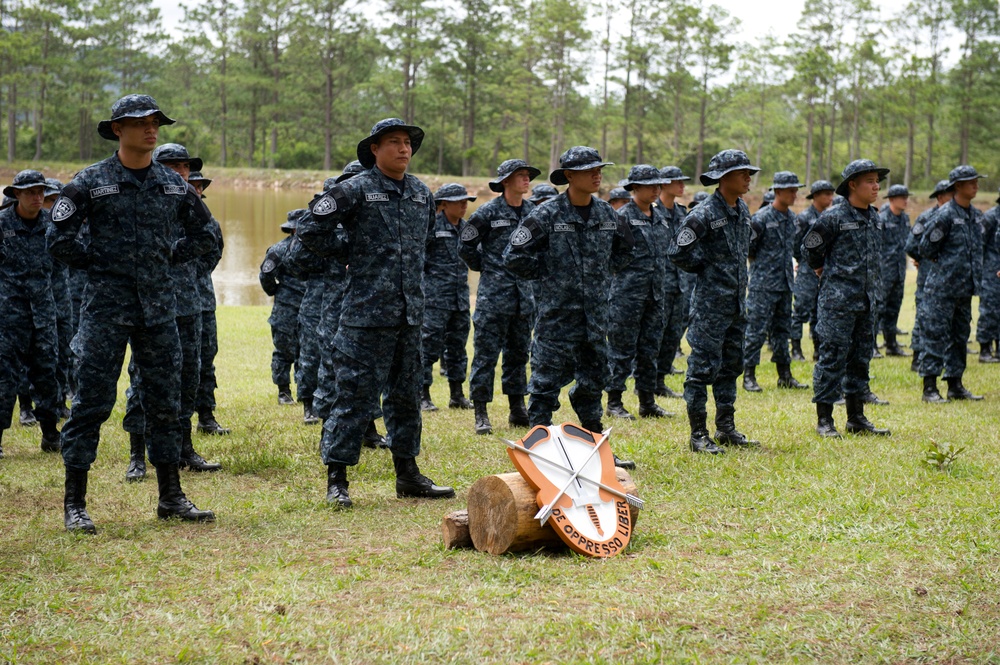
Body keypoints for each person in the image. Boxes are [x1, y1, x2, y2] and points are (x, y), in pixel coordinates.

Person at [47, 94, 217, 532]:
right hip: (106, 309)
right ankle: (75, 504)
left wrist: (166, 258)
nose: (151, 128)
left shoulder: (172, 183)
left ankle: (171, 497)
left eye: (156, 121)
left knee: (165, 403)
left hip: (160, 310)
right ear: (118, 129)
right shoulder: (90, 182)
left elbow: (206, 234)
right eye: (141, 122)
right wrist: (101, 265)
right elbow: (60, 239)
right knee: (91, 404)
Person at [297, 118, 455, 508]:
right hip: (365, 314)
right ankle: (338, 479)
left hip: (408, 315)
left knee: (405, 397)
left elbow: (432, 245)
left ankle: (408, 474)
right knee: (353, 396)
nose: (403, 149)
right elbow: (309, 229)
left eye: (407, 143)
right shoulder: (354, 189)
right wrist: (347, 253)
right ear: (375, 149)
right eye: (394, 143)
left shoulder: (420, 193)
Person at [503, 146, 636, 468]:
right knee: (545, 386)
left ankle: (596, 448)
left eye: (599, 169)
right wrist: (551, 277)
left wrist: (602, 274)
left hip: (596, 317)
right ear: (568, 176)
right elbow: (514, 257)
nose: (597, 174)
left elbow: (627, 249)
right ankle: (539, 451)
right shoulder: (546, 214)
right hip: (557, 316)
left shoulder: (607, 214)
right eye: (589, 170)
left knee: (593, 383)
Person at [668, 150, 760, 454]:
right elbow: (678, 252)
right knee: (701, 369)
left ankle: (725, 427)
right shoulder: (703, 213)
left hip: (736, 305)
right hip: (710, 306)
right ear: (723, 178)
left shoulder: (742, 209)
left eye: (749, 172)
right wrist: (706, 268)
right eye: (741, 173)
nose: (748, 178)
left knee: (731, 366)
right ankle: (698, 433)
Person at [802, 159, 891, 438]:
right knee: (832, 357)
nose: (876, 186)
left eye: (878, 181)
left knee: (860, 359)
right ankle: (825, 420)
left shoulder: (874, 216)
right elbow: (810, 248)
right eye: (870, 181)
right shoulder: (833, 217)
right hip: (837, 302)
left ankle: (856, 417)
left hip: (866, 301)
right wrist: (820, 269)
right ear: (852, 185)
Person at [460, 159, 540, 435]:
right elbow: (466, 244)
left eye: (528, 175)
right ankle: (481, 411)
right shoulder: (487, 212)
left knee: (519, 355)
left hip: (523, 297)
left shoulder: (534, 212)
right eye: (521, 175)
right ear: (506, 181)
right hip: (494, 297)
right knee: (485, 355)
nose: (526, 179)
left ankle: (518, 408)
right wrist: (487, 266)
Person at [0, 170, 63, 460]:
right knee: (4, 377)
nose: (37, 197)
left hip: (43, 313)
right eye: (30, 192)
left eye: (41, 192)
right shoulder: (2, 224)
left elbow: (61, 267)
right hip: (8, 315)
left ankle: (51, 433)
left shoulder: (52, 224)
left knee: (47, 372)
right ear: (16, 194)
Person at [605, 165, 673, 421]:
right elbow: (608, 256)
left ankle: (647, 401)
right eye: (651, 185)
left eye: (659, 185)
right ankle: (614, 401)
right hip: (626, 296)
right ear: (635, 187)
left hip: (655, 295)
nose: (657, 190)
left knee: (650, 348)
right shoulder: (620, 217)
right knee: (621, 350)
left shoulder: (661, 217)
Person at [917, 165, 986, 402]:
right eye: (971, 182)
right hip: (941, 289)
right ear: (957, 186)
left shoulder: (976, 216)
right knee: (935, 335)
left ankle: (955, 384)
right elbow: (925, 247)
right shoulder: (945, 215)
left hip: (965, 289)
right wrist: (945, 266)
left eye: (976, 181)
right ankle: (930, 387)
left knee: (960, 335)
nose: (976, 185)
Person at [743, 171, 809, 393]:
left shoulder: (792, 219)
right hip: (763, 285)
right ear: (778, 191)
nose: (794, 194)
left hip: (785, 284)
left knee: (782, 331)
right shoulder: (760, 219)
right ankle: (749, 375)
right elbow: (749, 249)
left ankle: (785, 375)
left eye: (795, 190)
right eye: (790, 190)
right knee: (756, 330)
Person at [421, 183, 475, 412]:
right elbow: (418, 260)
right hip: (434, 299)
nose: (464, 205)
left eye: (466, 201)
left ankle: (457, 395)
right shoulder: (430, 227)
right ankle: (422, 395)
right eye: (459, 201)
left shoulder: (467, 229)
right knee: (428, 347)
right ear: (443, 204)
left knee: (457, 348)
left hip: (460, 299)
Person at [187, 171, 231, 434]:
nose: (195, 189)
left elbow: (216, 250)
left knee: (205, 357)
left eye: (199, 186)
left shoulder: (207, 219)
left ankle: (206, 416)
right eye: (191, 185)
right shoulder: (162, 212)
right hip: (167, 300)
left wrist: (192, 272)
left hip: (202, 299)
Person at [260, 211, 307, 406]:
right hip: (286, 309)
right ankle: (283, 391)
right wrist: (277, 292)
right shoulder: (279, 250)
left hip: (310, 308)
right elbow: (266, 276)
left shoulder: (315, 249)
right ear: (292, 228)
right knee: (284, 350)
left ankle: (307, 393)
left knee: (307, 352)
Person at [906, 180, 954, 372]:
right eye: (950, 194)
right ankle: (918, 357)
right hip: (928, 275)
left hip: (950, 278)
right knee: (924, 315)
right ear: (941, 196)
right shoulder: (928, 217)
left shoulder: (958, 215)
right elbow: (911, 245)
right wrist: (924, 259)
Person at [654, 165, 691, 397]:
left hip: (679, 284)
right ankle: (646, 382)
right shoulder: (653, 212)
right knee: (654, 335)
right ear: (664, 184)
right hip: (657, 285)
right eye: (677, 181)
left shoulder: (681, 213)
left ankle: (660, 380)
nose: (682, 185)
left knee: (672, 335)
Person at [790, 180, 835, 362]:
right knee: (801, 309)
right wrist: (803, 261)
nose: (830, 198)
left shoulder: (833, 216)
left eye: (832, 194)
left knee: (819, 311)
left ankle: (818, 348)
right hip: (807, 272)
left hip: (825, 271)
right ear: (815, 196)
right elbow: (795, 244)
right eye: (826, 194)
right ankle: (796, 348)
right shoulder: (804, 217)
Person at [878, 184, 911, 356]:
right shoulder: (881, 219)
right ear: (891, 199)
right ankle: (871, 346)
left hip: (899, 270)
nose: (906, 200)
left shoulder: (905, 219)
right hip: (884, 271)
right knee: (878, 308)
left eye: (907, 197)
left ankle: (891, 344)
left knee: (894, 308)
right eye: (902, 197)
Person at [976, 186, 1000, 363]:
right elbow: (979, 245)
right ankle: (985, 349)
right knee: (989, 310)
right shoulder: (991, 217)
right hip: (991, 272)